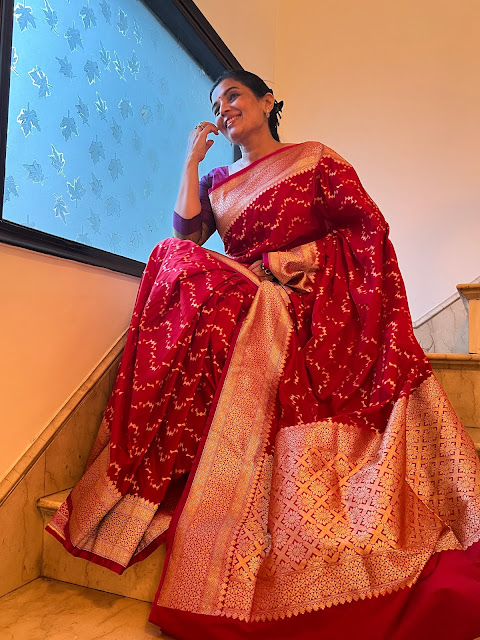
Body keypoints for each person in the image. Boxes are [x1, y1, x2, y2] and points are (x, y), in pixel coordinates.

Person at [47, 70, 480, 640]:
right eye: (216, 103)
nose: (224, 108)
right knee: (172, 257)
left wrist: (286, 264)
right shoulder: (221, 179)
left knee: (186, 271)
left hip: (304, 297)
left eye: (233, 96)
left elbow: (366, 228)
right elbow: (186, 231)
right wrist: (191, 161)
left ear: (267, 101)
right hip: (245, 293)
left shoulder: (314, 158)